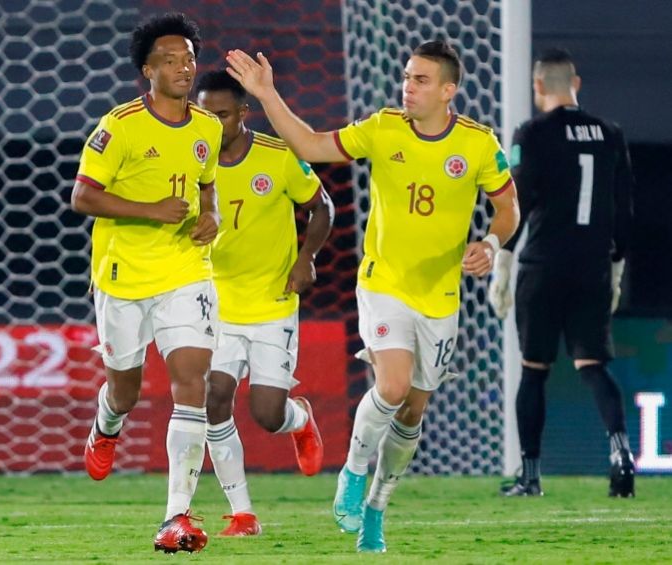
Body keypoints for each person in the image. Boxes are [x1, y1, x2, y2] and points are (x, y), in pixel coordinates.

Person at [226, 40, 520, 553]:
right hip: (383, 284)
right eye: (407, 77)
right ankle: (353, 474)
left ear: (449, 90)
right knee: (393, 385)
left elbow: (508, 207)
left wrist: (492, 243)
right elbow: (312, 145)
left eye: (422, 80)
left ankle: (377, 510)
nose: (408, 86)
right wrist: (268, 95)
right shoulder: (382, 128)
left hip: (440, 297)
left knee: (412, 411)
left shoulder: (477, 144)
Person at [70, 12, 223, 554]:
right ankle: (106, 425)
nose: (184, 67)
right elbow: (83, 196)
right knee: (125, 389)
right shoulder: (120, 126)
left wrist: (213, 217)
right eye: (170, 59)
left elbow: (208, 191)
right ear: (146, 71)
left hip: (186, 270)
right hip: (123, 276)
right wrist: (151, 209)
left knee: (191, 381)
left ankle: (175, 516)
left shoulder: (208, 127)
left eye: (189, 57)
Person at [490, 48, 635, 498]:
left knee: (533, 371)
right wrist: (615, 268)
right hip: (592, 266)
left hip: (544, 266)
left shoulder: (530, 133)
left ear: (538, 88)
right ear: (576, 82)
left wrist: (503, 262)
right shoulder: (611, 134)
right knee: (594, 366)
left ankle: (531, 477)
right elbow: (623, 210)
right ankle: (621, 454)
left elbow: (520, 203)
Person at [195, 70, 331, 537]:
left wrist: (306, 259)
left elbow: (322, 206)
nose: (214, 124)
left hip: (273, 304)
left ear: (243, 114)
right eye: (205, 115)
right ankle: (243, 513)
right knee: (214, 400)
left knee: (267, 414)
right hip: (216, 305)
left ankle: (300, 419)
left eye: (224, 115)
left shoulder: (277, 155)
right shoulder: (191, 162)